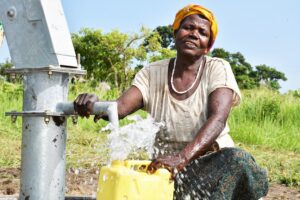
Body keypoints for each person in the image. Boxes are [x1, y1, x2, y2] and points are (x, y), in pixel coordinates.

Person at [74, 4, 268, 199]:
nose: (194, 34)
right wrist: (93, 103)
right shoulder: (152, 73)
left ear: (208, 46)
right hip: (167, 171)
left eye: (202, 32)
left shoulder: (218, 68)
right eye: (188, 28)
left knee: (238, 159)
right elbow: (120, 108)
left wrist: (182, 158)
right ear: (175, 33)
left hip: (214, 167)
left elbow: (218, 119)